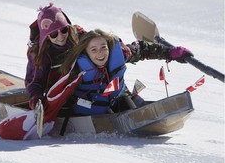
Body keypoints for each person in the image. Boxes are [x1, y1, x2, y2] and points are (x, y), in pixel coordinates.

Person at [59, 29, 193, 115]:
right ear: (86, 53)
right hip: (87, 106)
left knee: (133, 115)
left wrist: (170, 52)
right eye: (93, 50)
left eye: (103, 47)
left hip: (117, 97)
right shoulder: (76, 68)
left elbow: (142, 49)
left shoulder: (119, 54)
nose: (100, 53)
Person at [25, 3, 85, 111]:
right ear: (46, 36)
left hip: (83, 92)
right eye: (53, 34)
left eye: (63, 30)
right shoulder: (40, 54)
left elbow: (101, 41)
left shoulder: (79, 36)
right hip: (57, 97)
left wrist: (123, 51)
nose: (60, 37)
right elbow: (35, 82)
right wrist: (36, 98)